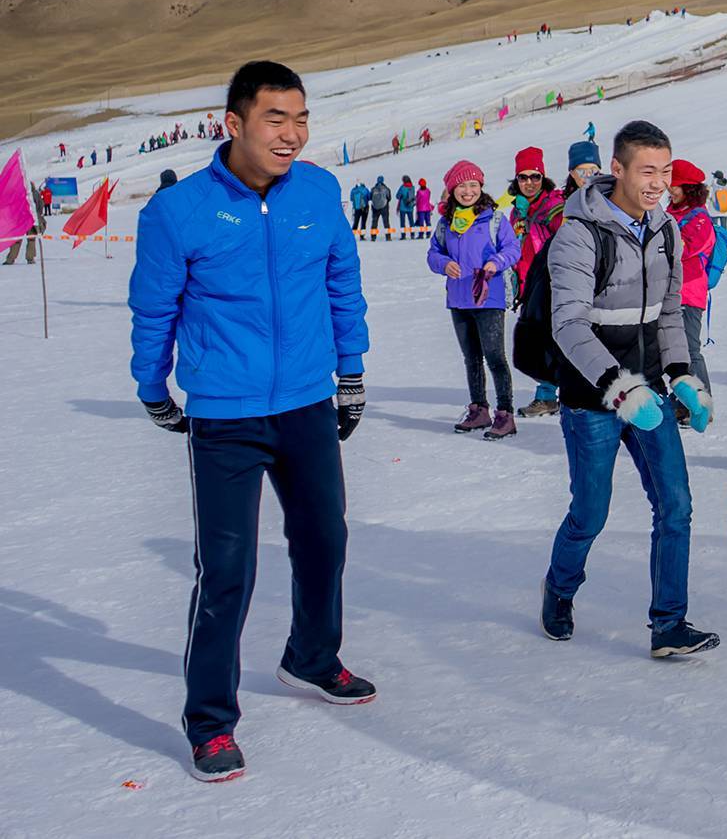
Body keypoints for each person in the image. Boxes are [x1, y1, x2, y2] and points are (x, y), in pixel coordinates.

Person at [128, 60, 373, 783]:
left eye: (301, 118)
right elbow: (155, 308)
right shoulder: (179, 211)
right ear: (232, 123)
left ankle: (311, 657)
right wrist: (152, 386)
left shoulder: (320, 192)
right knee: (227, 569)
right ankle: (209, 722)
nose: (292, 133)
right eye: (276, 118)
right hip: (226, 413)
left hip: (304, 401)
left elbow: (342, 280)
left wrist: (350, 371)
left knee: (326, 537)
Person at [540, 121, 718, 658]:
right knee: (590, 513)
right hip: (593, 397)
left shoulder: (665, 230)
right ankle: (560, 588)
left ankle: (669, 623)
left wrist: (682, 373)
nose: (658, 182)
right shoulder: (578, 232)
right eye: (647, 171)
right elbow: (568, 325)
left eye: (665, 171)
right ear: (616, 169)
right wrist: (619, 387)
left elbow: (668, 313)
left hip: (649, 392)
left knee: (677, 506)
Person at [428, 160, 522, 438]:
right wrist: (444, 264)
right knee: (471, 358)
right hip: (458, 299)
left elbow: (512, 248)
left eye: (473, 185)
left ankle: (505, 415)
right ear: (452, 189)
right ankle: (479, 410)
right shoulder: (446, 224)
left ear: (481, 186)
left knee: (494, 356)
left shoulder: (494, 219)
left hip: (488, 298)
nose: (468, 191)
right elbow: (433, 253)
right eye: (461, 186)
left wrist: (496, 262)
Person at [509, 146, 567, 416]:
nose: (529, 182)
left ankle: (552, 395)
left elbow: (568, 240)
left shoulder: (554, 206)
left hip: (552, 283)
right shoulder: (517, 212)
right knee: (537, 343)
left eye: (535, 177)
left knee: (556, 340)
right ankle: (550, 393)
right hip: (528, 285)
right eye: (523, 177)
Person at [668, 160, 719, 408]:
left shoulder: (699, 218)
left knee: (689, 349)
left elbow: (683, 249)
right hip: (669, 292)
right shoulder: (670, 213)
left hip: (689, 292)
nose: (669, 189)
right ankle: (683, 400)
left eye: (674, 184)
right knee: (672, 351)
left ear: (687, 187)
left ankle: (701, 402)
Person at [4, 186, 45, 264]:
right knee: (31, 239)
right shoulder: (35, 193)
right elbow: (40, 205)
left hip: (20, 219)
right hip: (32, 219)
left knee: (17, 240)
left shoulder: (18, 193)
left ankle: (11, 259)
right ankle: (30, 258)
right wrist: (38, 214)